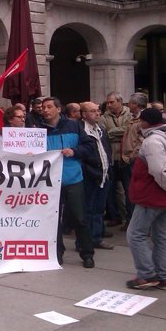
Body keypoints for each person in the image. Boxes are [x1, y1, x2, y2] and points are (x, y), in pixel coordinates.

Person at [126, 108, 166, 290]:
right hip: (165, 195)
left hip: (151, 195)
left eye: (141, 121)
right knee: (161, 237)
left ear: (146, 122)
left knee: (135, 234)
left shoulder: (152, 141)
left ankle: (147, 274)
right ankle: (162, 276)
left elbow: (158, 171)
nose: (138, 124)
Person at [40, 97, 95, 268]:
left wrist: (75, 151)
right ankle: (57, 253)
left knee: (80, 217)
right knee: (53, 220)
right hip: (49, 182)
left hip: (72, 178)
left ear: (58, 109)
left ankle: (87, 253)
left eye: (49, 107)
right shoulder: (38, 130)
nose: (45, 110)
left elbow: (89, 147)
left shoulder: (74, 125)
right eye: (43, 107)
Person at [80, 102, 114, 249]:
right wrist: (88, 169)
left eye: (98, 110)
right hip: (89, 175)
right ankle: (83, 242)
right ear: (84, 114)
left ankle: (96, 238)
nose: (97, 113)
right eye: (92, 111)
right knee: (87, 210)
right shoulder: (80, 130)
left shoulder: (101, 130)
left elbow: (107, 149)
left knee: (99, 209)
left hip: (104, 174)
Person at [99, 91, 133, 229]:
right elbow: (104, 134)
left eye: (112, 102)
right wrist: (121, 132)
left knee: (129, 190)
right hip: (111, 158)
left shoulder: (129, 114)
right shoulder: (103, 117)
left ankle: (130, 219)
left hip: (126, 158)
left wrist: (113, 132)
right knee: (110, 190)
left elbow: (129, 130)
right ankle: (115, 216)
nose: (109, 105)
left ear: (119, 102)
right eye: (107, 102)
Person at [119, 92, 150, 230]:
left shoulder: (143, 120)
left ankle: (137, 222)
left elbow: (142, 141)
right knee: (129, 191)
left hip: (134, 160)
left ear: (136, 104)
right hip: (129, 159)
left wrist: (131, 156)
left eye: (130, 103)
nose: (128, 105)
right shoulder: (134, 119)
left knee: (135, 191)